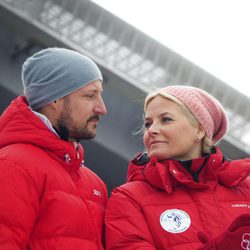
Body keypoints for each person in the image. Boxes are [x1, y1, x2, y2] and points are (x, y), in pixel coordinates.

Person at [105, 85, 250, 250]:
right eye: (148, 124)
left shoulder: (246, 189)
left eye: (166, 119)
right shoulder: (130, 198)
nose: (151, 130)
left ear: (200, 130)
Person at [0, 47, 108, 249]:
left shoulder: (96, 185)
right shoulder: (13, 165)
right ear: (54, 99)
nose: (102, 108)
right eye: (90, 95)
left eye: (100, 95)